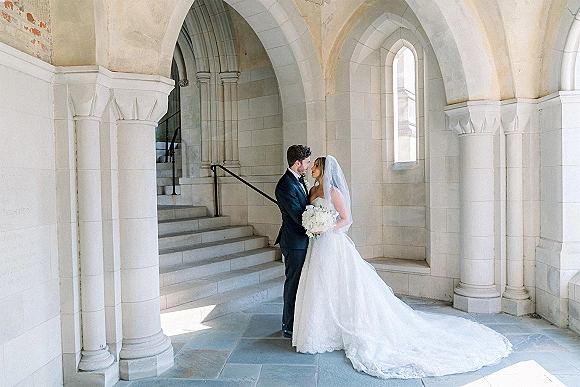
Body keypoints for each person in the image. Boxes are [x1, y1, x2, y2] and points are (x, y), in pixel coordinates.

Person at [292, 155, 512, 379]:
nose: (313, 169)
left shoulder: (334, 193)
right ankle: (322, 330)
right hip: (317, 247)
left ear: (325, 169)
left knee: (340, 285)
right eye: (313, 166)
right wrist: (313, 224)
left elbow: (346, 219)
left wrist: (326, 226)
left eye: (317, 166)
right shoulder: (311, 192)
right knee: (320, 285)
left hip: (333, 243)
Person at [275, 145, 311, 339]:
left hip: (302, 240)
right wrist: (318, 225)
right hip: (293, 242)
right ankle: (288, 325)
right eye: (305, 163)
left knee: (301, 282)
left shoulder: (297, 179)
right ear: (297, 163)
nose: (307, 167)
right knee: (293, 284)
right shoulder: (285, 185)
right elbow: (298, 216)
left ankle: (298, 321)